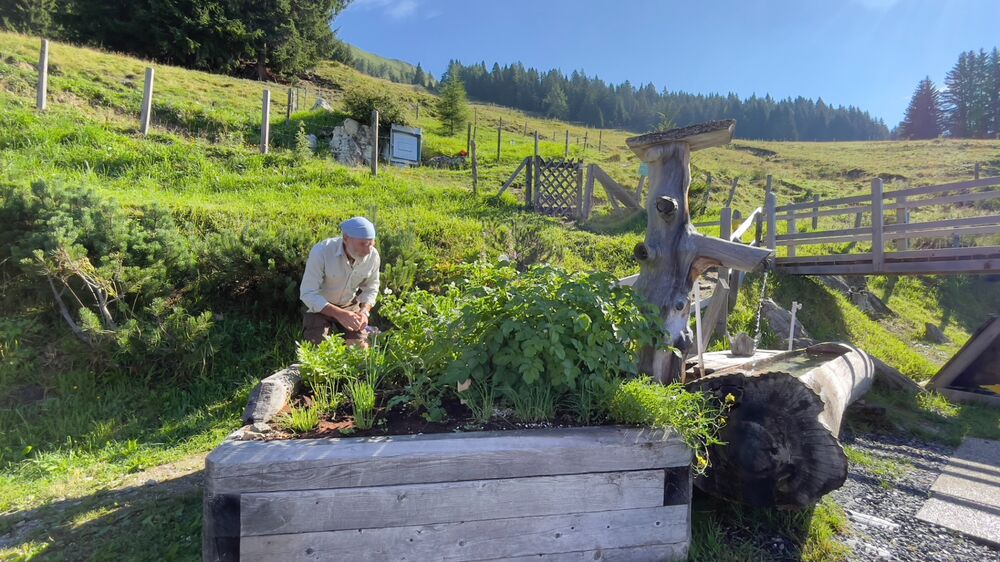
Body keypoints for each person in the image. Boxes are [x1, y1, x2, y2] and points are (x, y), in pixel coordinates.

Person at [300, 216, 380, 348]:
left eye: (371, 243)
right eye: (363, 244)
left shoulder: (373, 255)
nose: (367, 250)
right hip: (320, 306)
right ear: (346, 238)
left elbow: (371, 287)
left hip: (349, 305)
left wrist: (364, 312)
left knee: (361, 351)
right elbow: (308, 293)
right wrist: (339, 314)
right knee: (318, 352)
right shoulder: (322, 252)